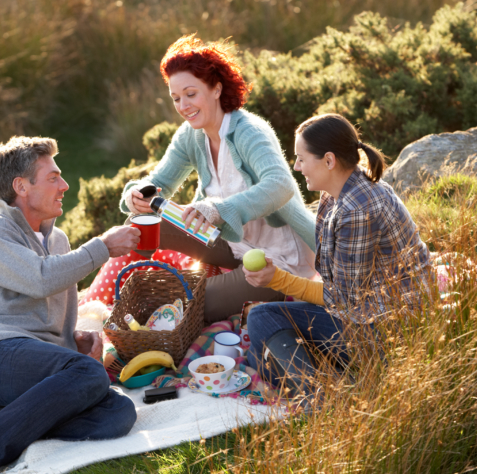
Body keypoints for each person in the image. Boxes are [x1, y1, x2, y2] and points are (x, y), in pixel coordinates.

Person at [0, 136, 141, 474]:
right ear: (21, 186)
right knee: (89, 376)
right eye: (53, 177)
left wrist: (73, 348)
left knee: (119, 412)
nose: (65, 185)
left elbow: (53, 315)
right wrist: (103, 247)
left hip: (27, 370)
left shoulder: (58, 242)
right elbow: (39, 279)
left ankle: (3, 427)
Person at [119, 35, 317, 323]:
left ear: (216, 89)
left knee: (192, 302)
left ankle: (165, 306)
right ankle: (135, 287)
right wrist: (136, 194)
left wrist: (216, 210)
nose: (183, 106)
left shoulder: (249, 132)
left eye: (191, 94)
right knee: (137, 226)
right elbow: (159, 181)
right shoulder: (191, 135)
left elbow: (281, 185)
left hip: (276, 256)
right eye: (176, 98)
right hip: (228, 242)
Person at [243, 113, 434, 402]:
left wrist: (277, 280)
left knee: (262, 319)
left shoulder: (356, 210)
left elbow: (342, 299)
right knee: (263, 335)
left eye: (301, 158)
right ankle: (329, 376)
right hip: (372, 313)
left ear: (329, 161)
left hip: (389, 333)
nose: (296, 166)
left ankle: (317, 399)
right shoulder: (339, 193)